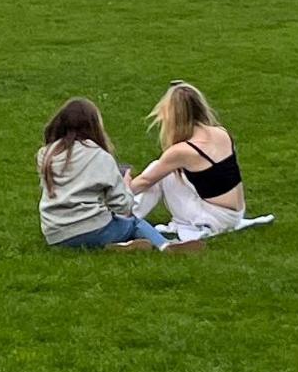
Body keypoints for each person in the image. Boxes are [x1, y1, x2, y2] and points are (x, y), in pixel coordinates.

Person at [127, 81, 265, 244]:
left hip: (214, 219)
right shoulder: (221, 133)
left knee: (157, 170)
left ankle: (122, 218)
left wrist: (121, 191)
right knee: (166, 170)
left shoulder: (183, 151)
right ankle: (126, 212)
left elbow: (145, 181)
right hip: (235, 214)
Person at [38, 99, 165, 251]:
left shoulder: (47, 154)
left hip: (55, 234)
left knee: (112, 226)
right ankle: (166, 246)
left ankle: (119, 246)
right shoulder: (99, 156)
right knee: (134, 223)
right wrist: (126, 187)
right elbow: (122, 206)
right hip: (92, 229)